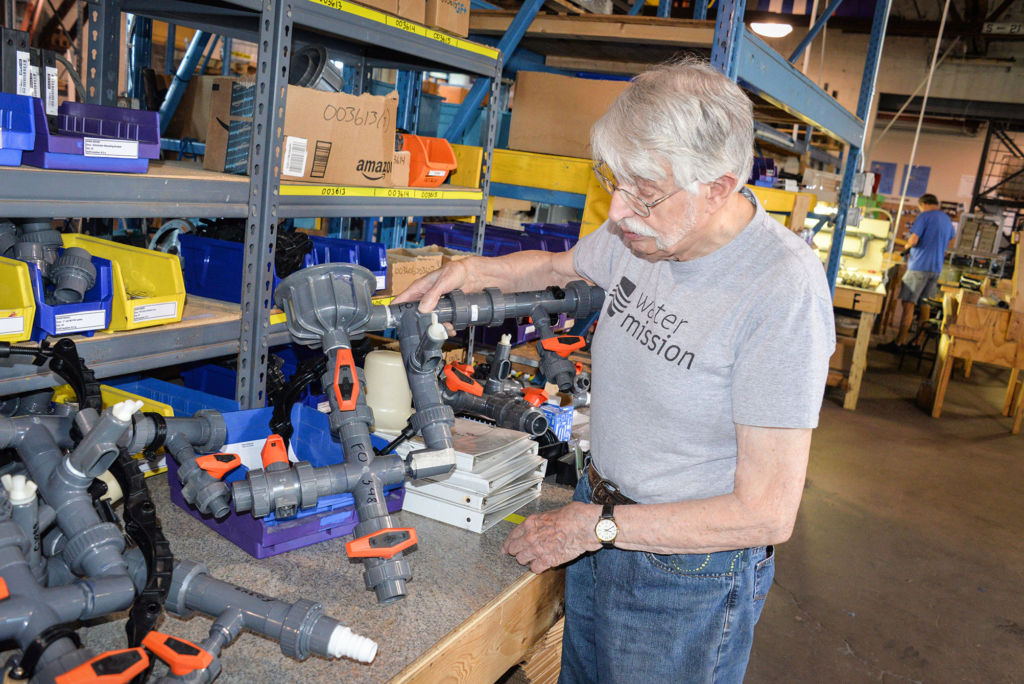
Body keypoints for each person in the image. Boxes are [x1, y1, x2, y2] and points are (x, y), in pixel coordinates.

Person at [394, 59, 835, 683]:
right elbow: (560, 266)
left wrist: (599, 527)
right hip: (599, 516)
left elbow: (766, 512)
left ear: (718, 188)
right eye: (614, 182)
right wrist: (475, 271)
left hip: (684, 574)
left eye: (644, 192)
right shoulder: (643, 232)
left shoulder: (781, 289)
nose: (620, 210)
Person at [878, 194, 956, 353]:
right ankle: (917, 343)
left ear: (923, 204)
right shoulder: (946, 220)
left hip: (919, 266)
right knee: (924, 305)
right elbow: (949, 239)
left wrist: (907, 246)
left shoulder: (924, 216)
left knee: (908, 304)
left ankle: (899, 343)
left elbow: (913, 240)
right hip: (935, 269)